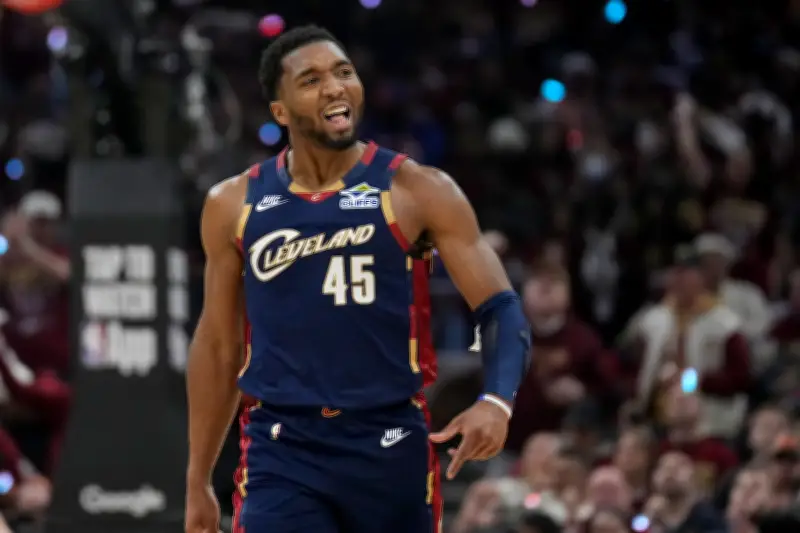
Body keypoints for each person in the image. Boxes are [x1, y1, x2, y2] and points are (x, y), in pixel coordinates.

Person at [185, 25, 531, 533]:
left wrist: (496, 401)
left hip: (389, 441)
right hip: (282, 448)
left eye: (343, 72)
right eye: (311, 80)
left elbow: (499, 306)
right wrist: (197, 479)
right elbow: (219, 345)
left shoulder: (416, 189)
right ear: (280, 111)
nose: (334, 87)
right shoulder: (233, 204)